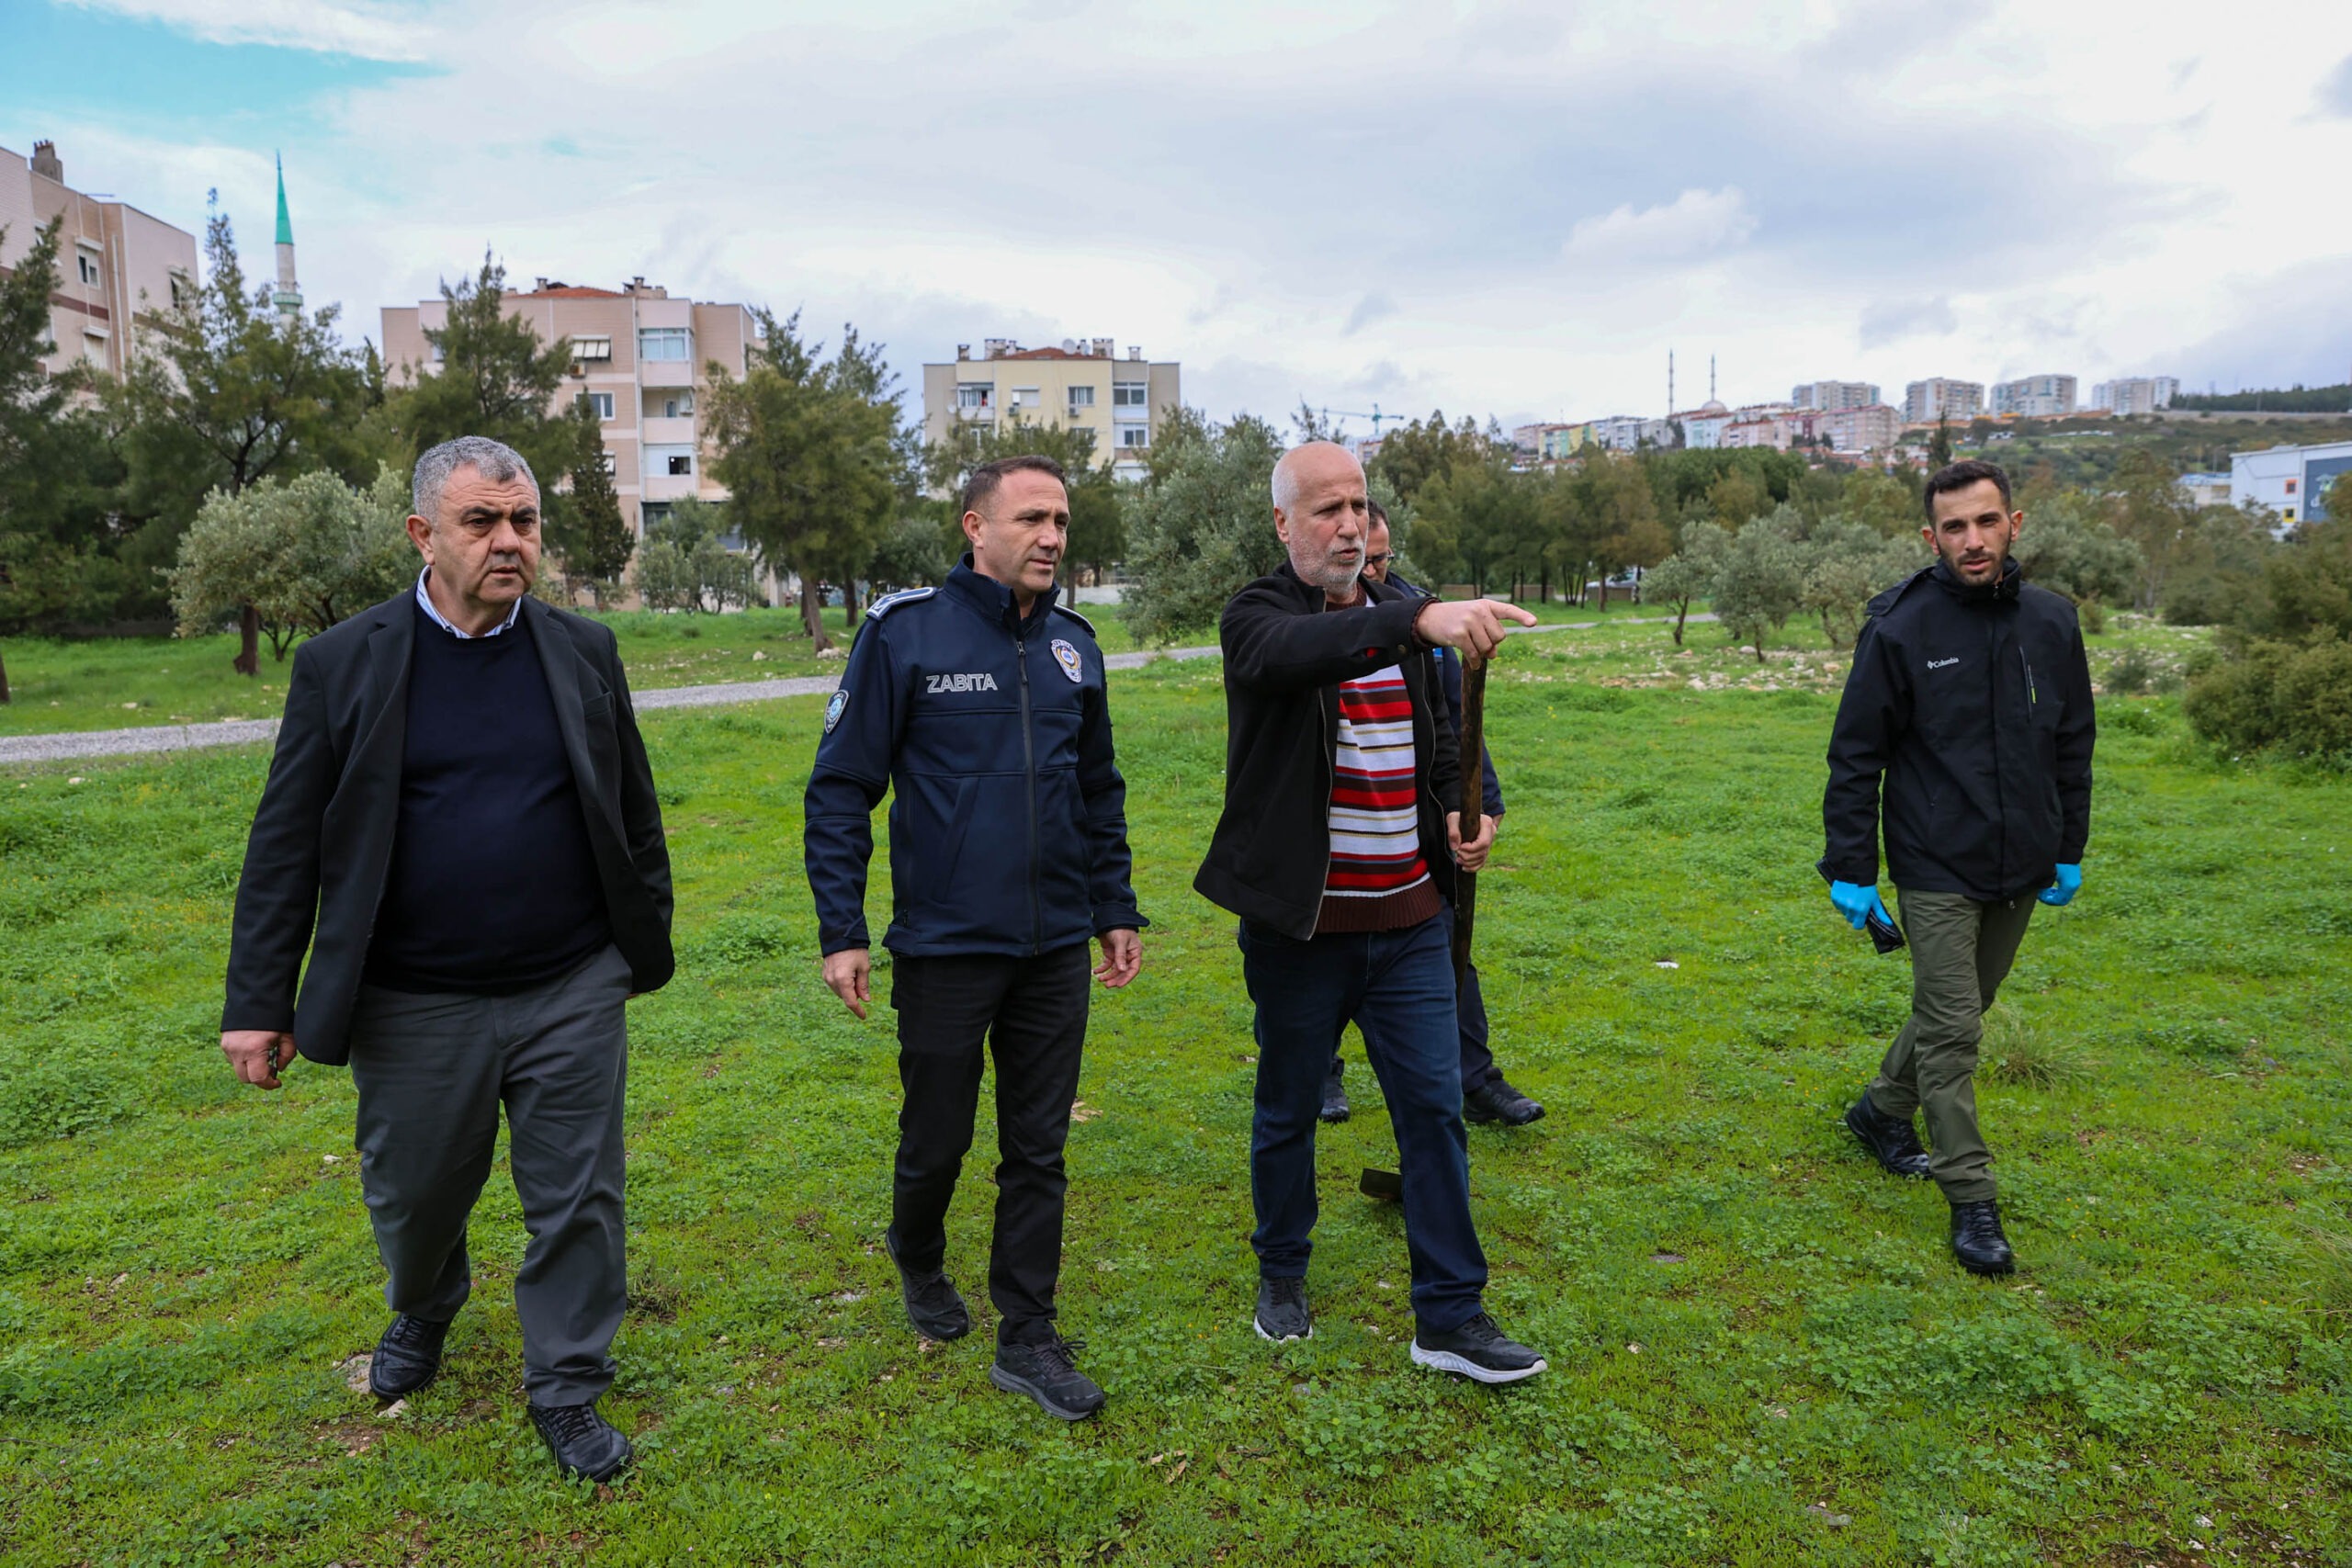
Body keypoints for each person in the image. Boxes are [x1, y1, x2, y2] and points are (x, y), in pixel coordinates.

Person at [218, 436, 674, 1482]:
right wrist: (258, 999)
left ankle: (565, 1385)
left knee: (579, 1199)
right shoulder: (345, 662)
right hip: (412, 1000)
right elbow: (286, 840)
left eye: (522, 522)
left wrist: (631, 939)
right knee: (414, 1197)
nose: (508, 542)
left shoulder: (583, 650)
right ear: (425, 534)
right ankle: (424, 1304)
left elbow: (631, 811)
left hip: (568, 984)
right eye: (482, 523)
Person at [1195, 439, 1549, 1382]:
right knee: (1287, 1111)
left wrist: (1456, 819)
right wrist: (1415, 618)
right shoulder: (1258, 617)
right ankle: (1282, 1273)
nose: (1349, 523)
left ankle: (1450, 1316)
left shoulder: (1404, 631)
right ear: (1284, 524)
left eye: (1357, 504)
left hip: (1408, 925)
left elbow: (1440, 751)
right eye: (1325, 509)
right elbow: (1293, 654)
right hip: (1301, 931)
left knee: (1434, 1112)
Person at [805, 455, 1146, 1422]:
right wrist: (844, 929)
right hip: (948, 946)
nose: (1051, 538)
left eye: (1063, 522)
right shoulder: (905, 633)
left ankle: (1027, 1334)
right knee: (938, 1139)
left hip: (1051, 951)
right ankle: (916, 1251)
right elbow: (839, 790)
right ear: (974, 526)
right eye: (1032, 518)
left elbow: (1098, 791)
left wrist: (1113, 908)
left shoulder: (1076, 646)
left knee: (1037, 1148)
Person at [1822, 458, 2095, 1278]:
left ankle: (1878, 1111)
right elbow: (1855, 754)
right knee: (1955, 1031)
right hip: (1935, 860)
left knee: (1961, 1007)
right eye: (1953, 527)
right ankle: (1972, 1197)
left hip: (2022, 860)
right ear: (1930, 536)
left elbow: (2073, 740)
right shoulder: (1900, 629)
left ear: (2015, 521)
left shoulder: (2053, 620)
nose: (1971, 541)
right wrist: (1851, 866)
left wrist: (2069, 846)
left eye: (1985, 522)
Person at [1320, 502, 1544, 1130]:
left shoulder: (1430, 618)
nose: (1373, 571)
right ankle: (1321, 1069)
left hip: (1417, 833)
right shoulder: (1303, 621)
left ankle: (1474, 1079)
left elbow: (1459, 726)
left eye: (1382, 557)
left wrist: (1481, 810)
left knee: (1447, 948)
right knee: (1326, 965)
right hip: (1332, 843)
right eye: (1363, 558)